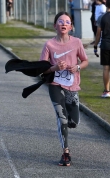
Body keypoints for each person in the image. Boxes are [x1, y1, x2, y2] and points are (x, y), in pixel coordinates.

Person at [40, 11, 88, 166]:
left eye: (67, 22)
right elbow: (42, 69)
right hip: (55, 85)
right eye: (60, 22)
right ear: (55, 25)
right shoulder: (49, 45)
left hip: (72, 86)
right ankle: (65, 152)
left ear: (71, 26)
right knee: (62, 118)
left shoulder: (77, 42)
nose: (64, 24)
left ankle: (69, 122)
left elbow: (85, 61)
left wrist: (78, 67)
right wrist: (54, 68)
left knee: (73, 121)